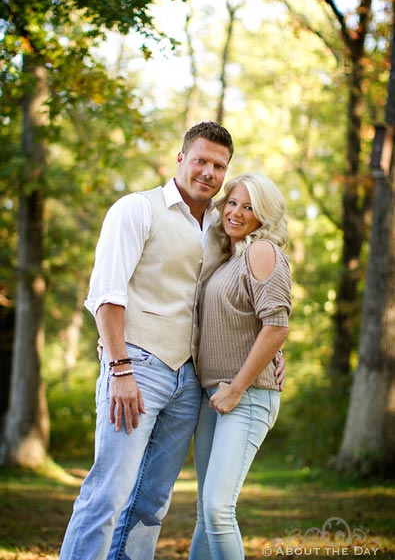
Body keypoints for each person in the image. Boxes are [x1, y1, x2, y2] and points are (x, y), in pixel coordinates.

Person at [58, 122, 284, 560]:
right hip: (137, 367)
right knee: (109, 492)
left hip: (189, 381)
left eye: (219, 166)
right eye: (200, 160)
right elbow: (107, 295)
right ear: (180, 159)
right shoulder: (136, 209)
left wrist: (272, 347)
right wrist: (119, 369)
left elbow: (246, 298)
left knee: (152, 503)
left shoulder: (222, 227)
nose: (209, 172)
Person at [189, 172, 292, 560]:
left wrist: (236, 388)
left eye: (249, 207)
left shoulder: (261, 251)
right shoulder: (225, 258)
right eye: (232, 202)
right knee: (205, 511)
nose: (236, 212)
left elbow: (276, 327)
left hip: (245, 396)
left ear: (263, 215)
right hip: (214, 395)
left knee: (217, 509)